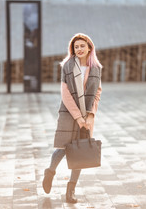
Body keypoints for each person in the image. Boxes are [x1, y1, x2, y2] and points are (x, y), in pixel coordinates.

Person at [42, 33, 102, 203]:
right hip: (69, 114)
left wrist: (90, 115)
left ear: (89, 47)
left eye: (82, 46)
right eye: (76, 47)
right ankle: (50, 172)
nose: (79, 49)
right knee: (63, 147)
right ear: (73, 50)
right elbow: (65, 94)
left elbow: (97, 92)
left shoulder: (96, 68)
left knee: (80, 152)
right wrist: (78, 117)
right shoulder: (67, 66)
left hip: (87, 116)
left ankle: (71, 191)